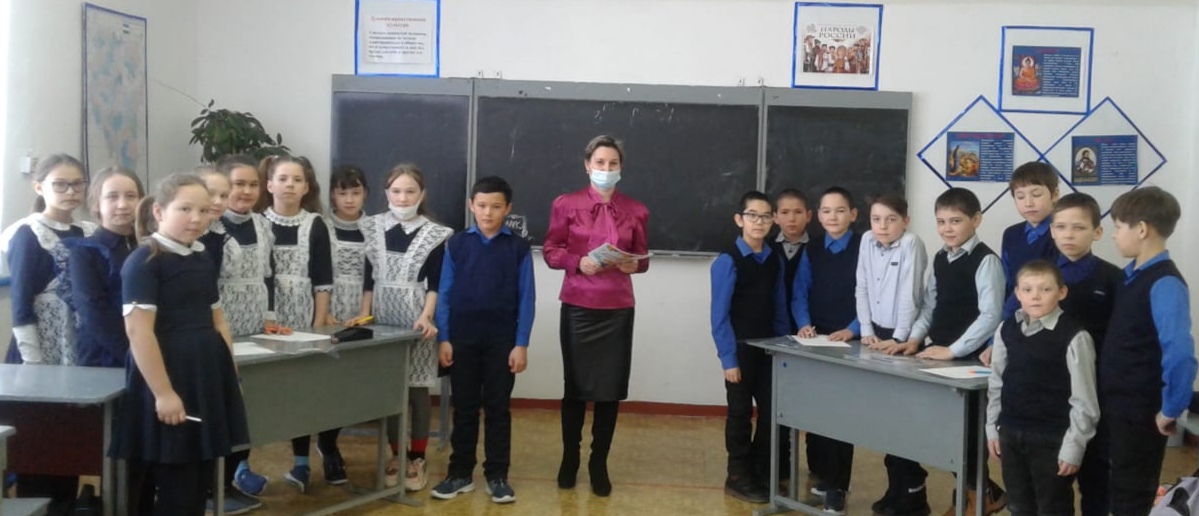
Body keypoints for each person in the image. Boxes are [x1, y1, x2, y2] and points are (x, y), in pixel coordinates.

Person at [111, 173, 250, 515]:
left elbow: (218, 320)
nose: (196, 218)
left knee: (197, 481)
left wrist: (230, 375)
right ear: (159, 212)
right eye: (185, 209)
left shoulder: (201, 256)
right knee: (175, 481)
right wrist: (164, 393)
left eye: (203, 210)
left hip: (203, 376)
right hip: (168, 378)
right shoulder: (144, 262)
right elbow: (138, 333)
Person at [888, 188, 1006, 515]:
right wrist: (915, 339)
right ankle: (983, 493)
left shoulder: (986, 261)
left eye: (955, 221)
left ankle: (977, 497)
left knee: (966, 435)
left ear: (976, 220)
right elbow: (930, 306)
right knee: (939, 430)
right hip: (938, 353)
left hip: (969, 360)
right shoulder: (941, 257)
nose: (947, 228)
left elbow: (991, 315)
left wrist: (953, 350)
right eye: (941, 221)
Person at [543, 135, 649, 497]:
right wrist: (578, 262)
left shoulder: (636, 210)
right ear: (587, 165)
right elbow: (551, 250)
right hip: (578, 306)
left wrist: (634, 265)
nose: (606, 169)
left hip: (617, 309)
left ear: (621, 168)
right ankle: (569, 458)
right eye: (600, 162)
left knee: (609, 391)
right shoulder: (566, 204)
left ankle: (598, 462)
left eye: (612, 163)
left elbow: (643, 258)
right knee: (575, 388)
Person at [430, 176, 534, 505]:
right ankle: (460, 473)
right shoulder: (457, 244)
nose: (488, 212)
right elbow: (444, 293)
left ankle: (497, 476)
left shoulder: (518, 248)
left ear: (508, 208)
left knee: (498, 408)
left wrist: (521, 343)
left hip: (502, 339)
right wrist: (445, 338)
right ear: (471, 206)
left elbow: (527, 299)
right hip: (462, 338)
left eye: (496, 206)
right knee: (464, 407)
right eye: (482, 205)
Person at [1, 154, 96, 512]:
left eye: (77, 184)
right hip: (40, 352)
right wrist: (34, 364)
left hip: (76, 347)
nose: (71, 191)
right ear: (40, 187)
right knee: (39, 443)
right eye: (61, 185)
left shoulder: (87, 231)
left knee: (69, 440)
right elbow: (21, 304)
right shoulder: (29, 233)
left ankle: (66, 504)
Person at [1102, 187, 1197, 515]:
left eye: (1118, 227)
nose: (1114, 235)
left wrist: (1171, 409)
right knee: (1116, 487)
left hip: (1141, 410)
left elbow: (1180, 353)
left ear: (1141, 229)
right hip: (1117, 405)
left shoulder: (1165, 282)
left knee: (1132, 494)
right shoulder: (1129, 276)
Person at [360, 164, 452, 491]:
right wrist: (364, 315)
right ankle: (396, 455)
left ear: (421, 194)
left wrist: (427, 316)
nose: (403, 197)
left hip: (416, 318)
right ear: (386, 193)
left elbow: (436, 284)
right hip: (382, 318)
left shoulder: (434, 234)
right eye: (396, 191)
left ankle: (417, 457)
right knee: (391, 388)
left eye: (410, 191)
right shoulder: (371, 227)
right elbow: (368, 280)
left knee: (417, 390)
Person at [986, 260, 1099, 516]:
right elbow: (997, 382)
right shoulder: (1006, 329)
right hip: (1011, 433)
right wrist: (992, 427)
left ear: (1062, 292)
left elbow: (1084, 400)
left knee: (1052, 507)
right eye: (1027, 290)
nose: (1035, 296)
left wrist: (1074, 446)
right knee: (1019, 506)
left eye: (1045, 289)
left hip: (1052, 439)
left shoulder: (1074, 335)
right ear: (1017, 293)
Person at [258, 155, 336, 491]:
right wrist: (264, 319)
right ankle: (241, 466)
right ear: (269, 185)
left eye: (297, 179)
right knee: (258, 391)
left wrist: (318, 327)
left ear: (306, 187)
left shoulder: (315, 225)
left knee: (301, 392)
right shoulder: (257, 223)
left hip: (303, 320)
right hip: (262, 319)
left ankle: (302, 463)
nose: (290, 185)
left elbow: (323, 280)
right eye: (283, 178)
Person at [200, 155, 274, 507]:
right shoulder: (209, 228)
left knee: (249, 407)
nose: (246, 191)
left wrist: (270, 316)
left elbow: (268, 275)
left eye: (252, 184)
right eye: (237, 184)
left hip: (255, 325)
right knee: (223, 409)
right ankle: (212, 486)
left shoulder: (262, 224)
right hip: (221, 325)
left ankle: (231, 477)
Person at [709, 191, 790, 504]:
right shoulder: (727, 260)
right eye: (753, 215)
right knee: (740, 413)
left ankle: (760, 470)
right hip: (740, 351)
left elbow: (779, 306)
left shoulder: (774, 258)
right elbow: (719, 316)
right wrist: (728, 359)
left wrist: (784, 347)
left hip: (769, 349)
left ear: (773, 221)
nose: (759, 222)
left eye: (766, 216)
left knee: (772, 412)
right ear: (739, 219)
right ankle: (738, 476)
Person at [855, 193, 930, 515]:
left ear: (905, 221)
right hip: (876, 336)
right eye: (876, 219)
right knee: (884, 419)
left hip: (904, 340)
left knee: (902, 419)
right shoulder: (866, 240)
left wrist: (899, 338)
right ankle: (896, 488)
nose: (882, 226)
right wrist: (866, 329)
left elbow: (910, 295)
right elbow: (861, 286)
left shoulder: (912, 243)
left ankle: (913, 492)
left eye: (891, 219)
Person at [1047, 193, 1121, 516]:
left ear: (1097, 232)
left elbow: (1119, 335)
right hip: (1050, 390)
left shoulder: (1113, 278)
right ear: (1052, 230)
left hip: (1096, 388)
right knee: (1052, 478)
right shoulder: (1041, 276)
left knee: (1096, 475)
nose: (1069, 235)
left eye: (1079, 227)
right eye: (1061, 227)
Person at [792, 187, 861, 514]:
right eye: (826, 211)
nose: (833, 217)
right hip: (817, 339)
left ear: (853, 214)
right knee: (818, 412)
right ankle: (826, 476)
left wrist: (854, 329)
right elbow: (800, 291)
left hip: (851, 341)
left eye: (840, 210)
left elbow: (874, 295)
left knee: (841, 416)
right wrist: (804, 324)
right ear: (817, 216)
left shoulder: (865, 246)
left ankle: (838, 487)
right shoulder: (813, 248)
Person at [770, 188, 810, 489]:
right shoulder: (765, 247)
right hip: (774, 334)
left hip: (811, 334)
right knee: (778, 401)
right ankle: (780, 467)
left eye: (797, 212)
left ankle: (819, 467)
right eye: (784, 212)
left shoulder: (818, 248)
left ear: (809, 216)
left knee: (812, 402)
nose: (791, 218)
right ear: (774, 217)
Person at [998, 162, 1061, 321]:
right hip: (1013, 316)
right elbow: (1007, 281)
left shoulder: (1061, 233)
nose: (1028, 203)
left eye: (1036, 195)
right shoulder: (1011, 234)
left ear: (1054, 195)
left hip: (1049, 316)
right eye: (1020, 197)